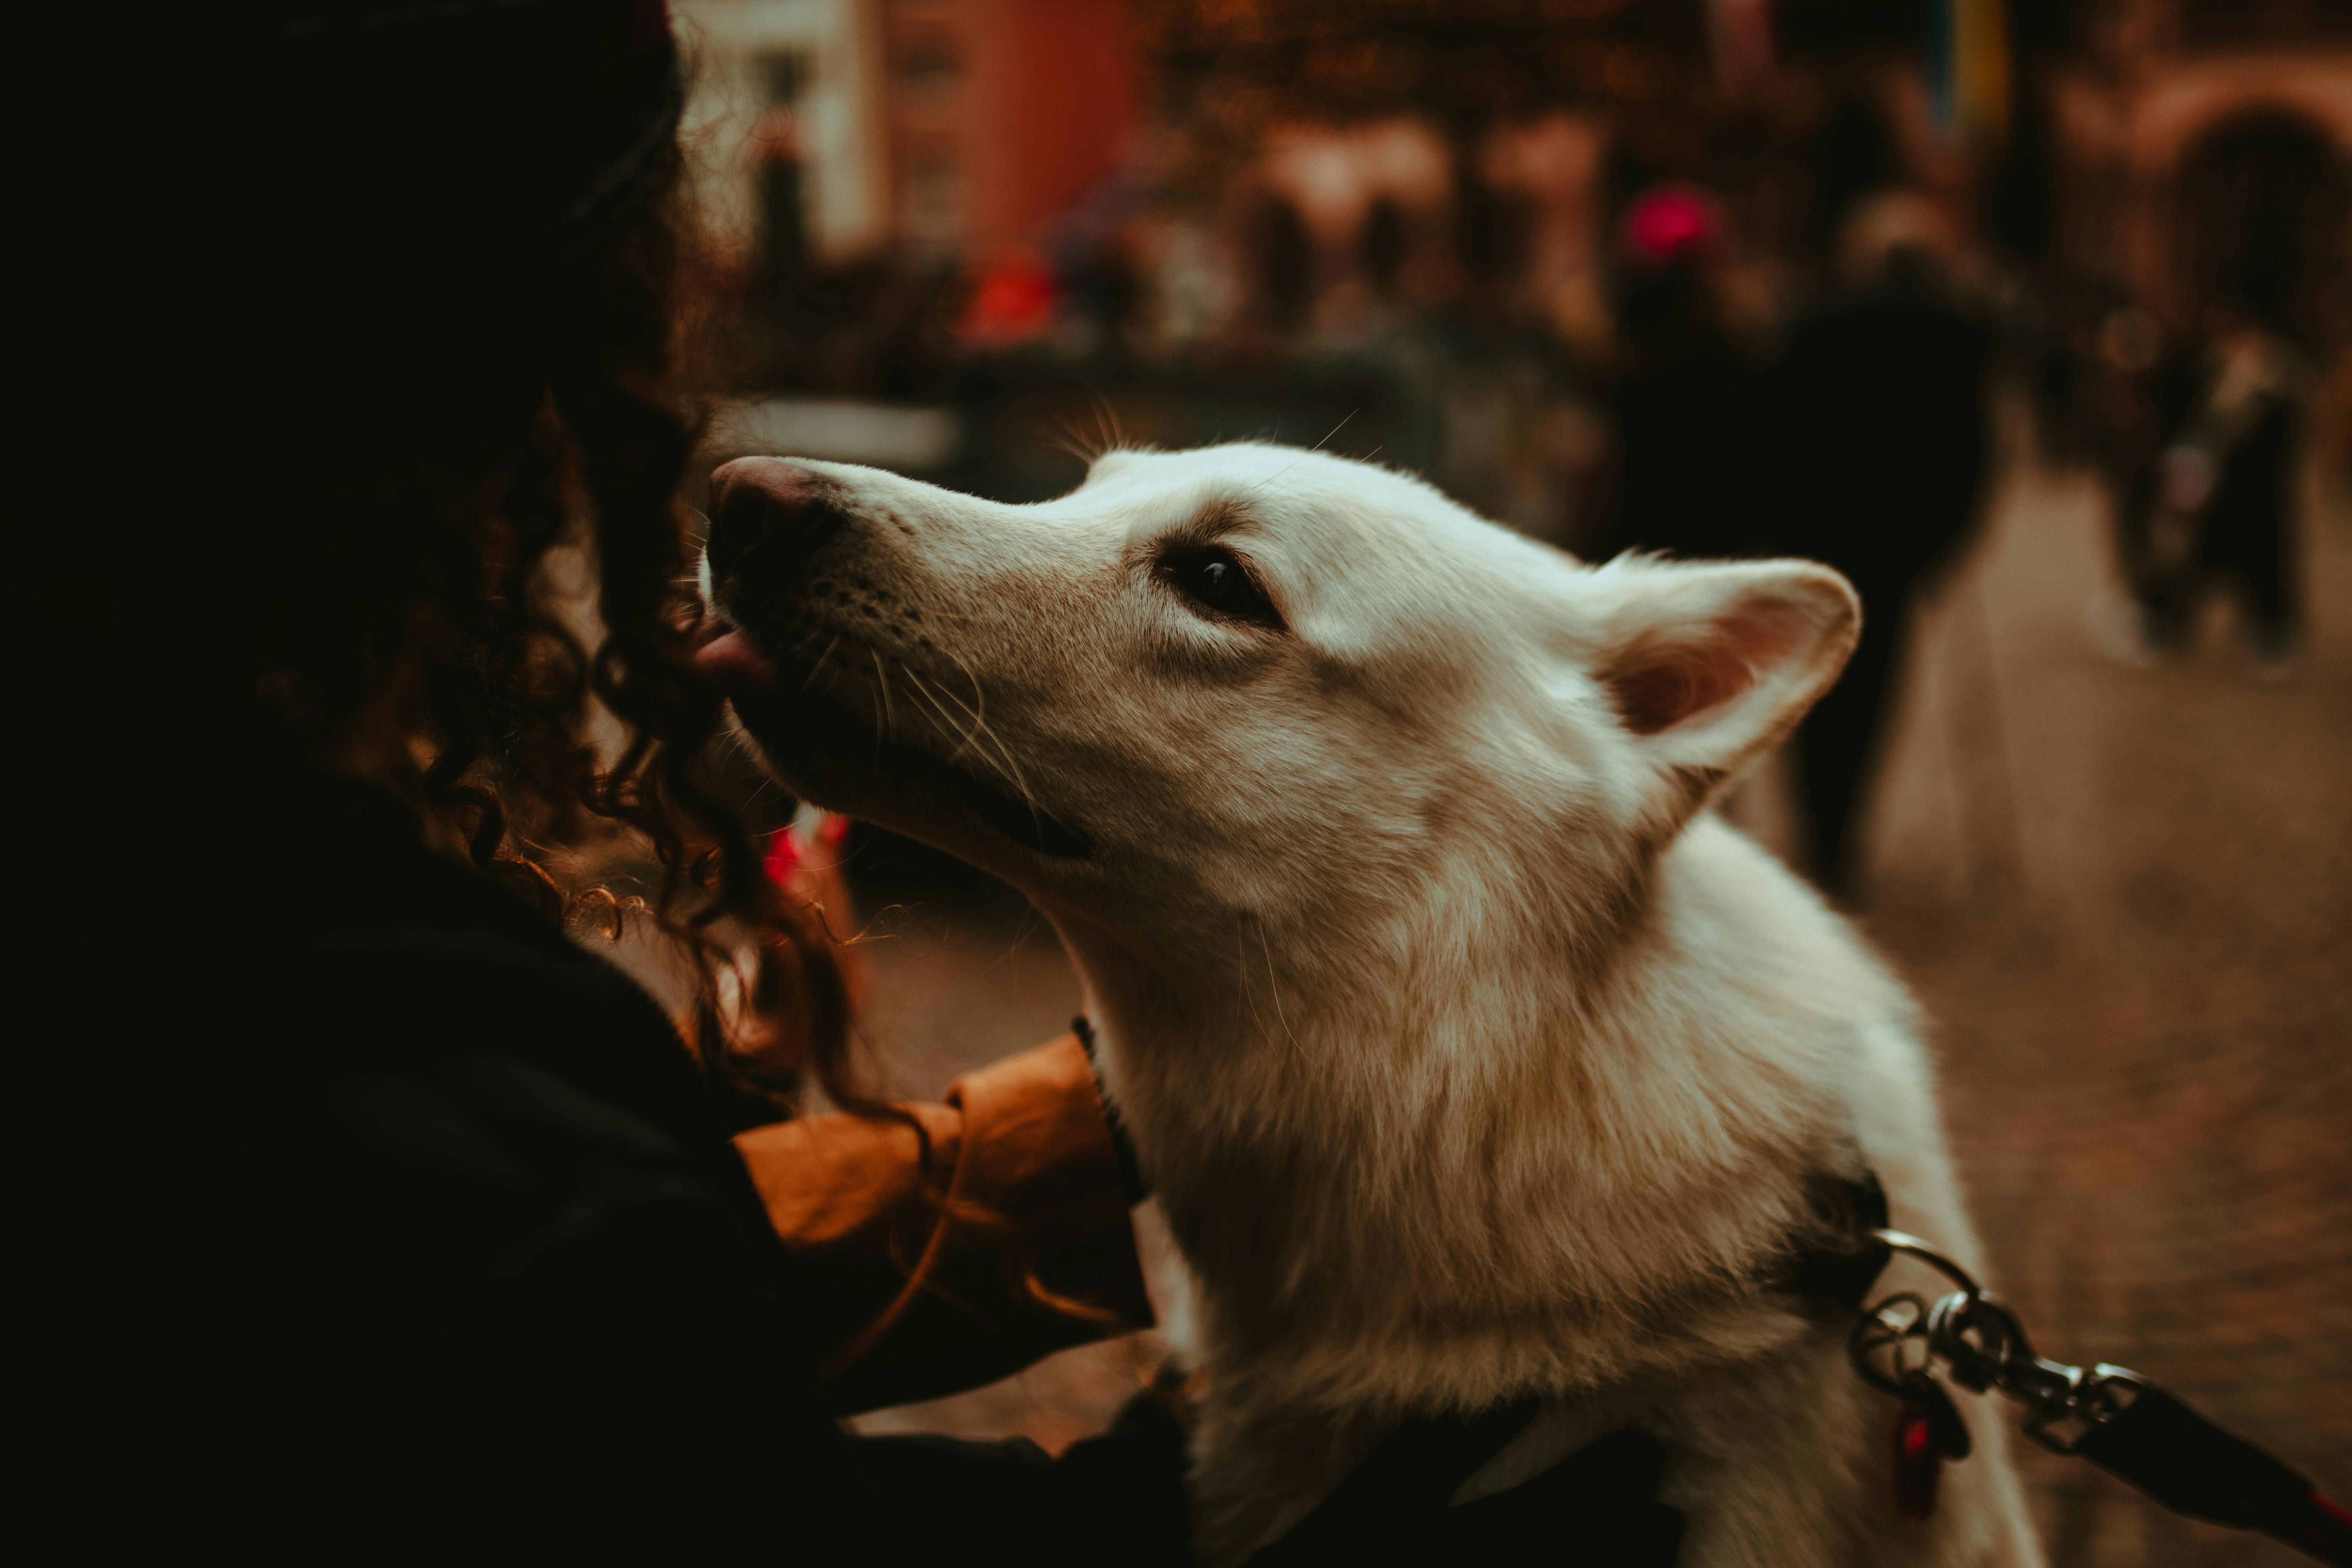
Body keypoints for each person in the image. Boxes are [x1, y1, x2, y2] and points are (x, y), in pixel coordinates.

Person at [8, 5, 1606, 1562]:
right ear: (478, 391)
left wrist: (1108, 1123)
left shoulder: (137, 898)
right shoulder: (419, 1138)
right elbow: (578, 1373)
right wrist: (1211, 1509)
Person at [1755, 193, 1995, 902]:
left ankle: (1814, 828)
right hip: (1895, 546)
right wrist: (1944, 544)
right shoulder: (1950, 330)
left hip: (1811, 537)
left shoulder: (1810, 322)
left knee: (1807, 684)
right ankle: (1841, 836)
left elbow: (1771, 429)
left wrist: (1771, 521)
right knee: (1871, 690)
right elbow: (1971, 450)